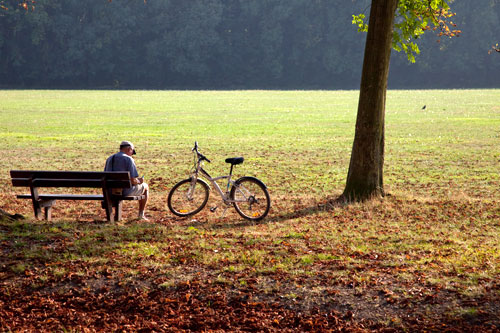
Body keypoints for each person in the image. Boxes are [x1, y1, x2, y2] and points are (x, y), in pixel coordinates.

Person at [105, 141, 149, 220]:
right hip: (125, 191)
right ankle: (141, 215)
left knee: (118, 187)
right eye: (132, 151)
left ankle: (114, 216)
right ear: (129, 149)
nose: (132, 154)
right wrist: (139, 181)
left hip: (109, 191)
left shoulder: (109, 158)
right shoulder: (129, 159)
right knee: (145, 186)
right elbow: (132, 180)